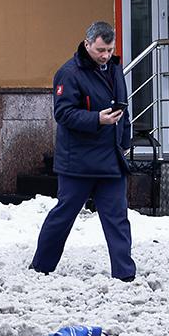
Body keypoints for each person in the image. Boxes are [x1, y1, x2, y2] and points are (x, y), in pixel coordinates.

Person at [30, 21, 135, 281]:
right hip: (78, 162)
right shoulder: (69, 73)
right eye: (100, 50)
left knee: (118, 218)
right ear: (87, 44)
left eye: (109, 50)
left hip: (111, 159)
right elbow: (63, 114)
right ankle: (41, 266)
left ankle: (125, 274)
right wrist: (97, 119)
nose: (105, 55)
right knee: (64, 214)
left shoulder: (115, 69)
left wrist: (124, 142)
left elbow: (124, 110)